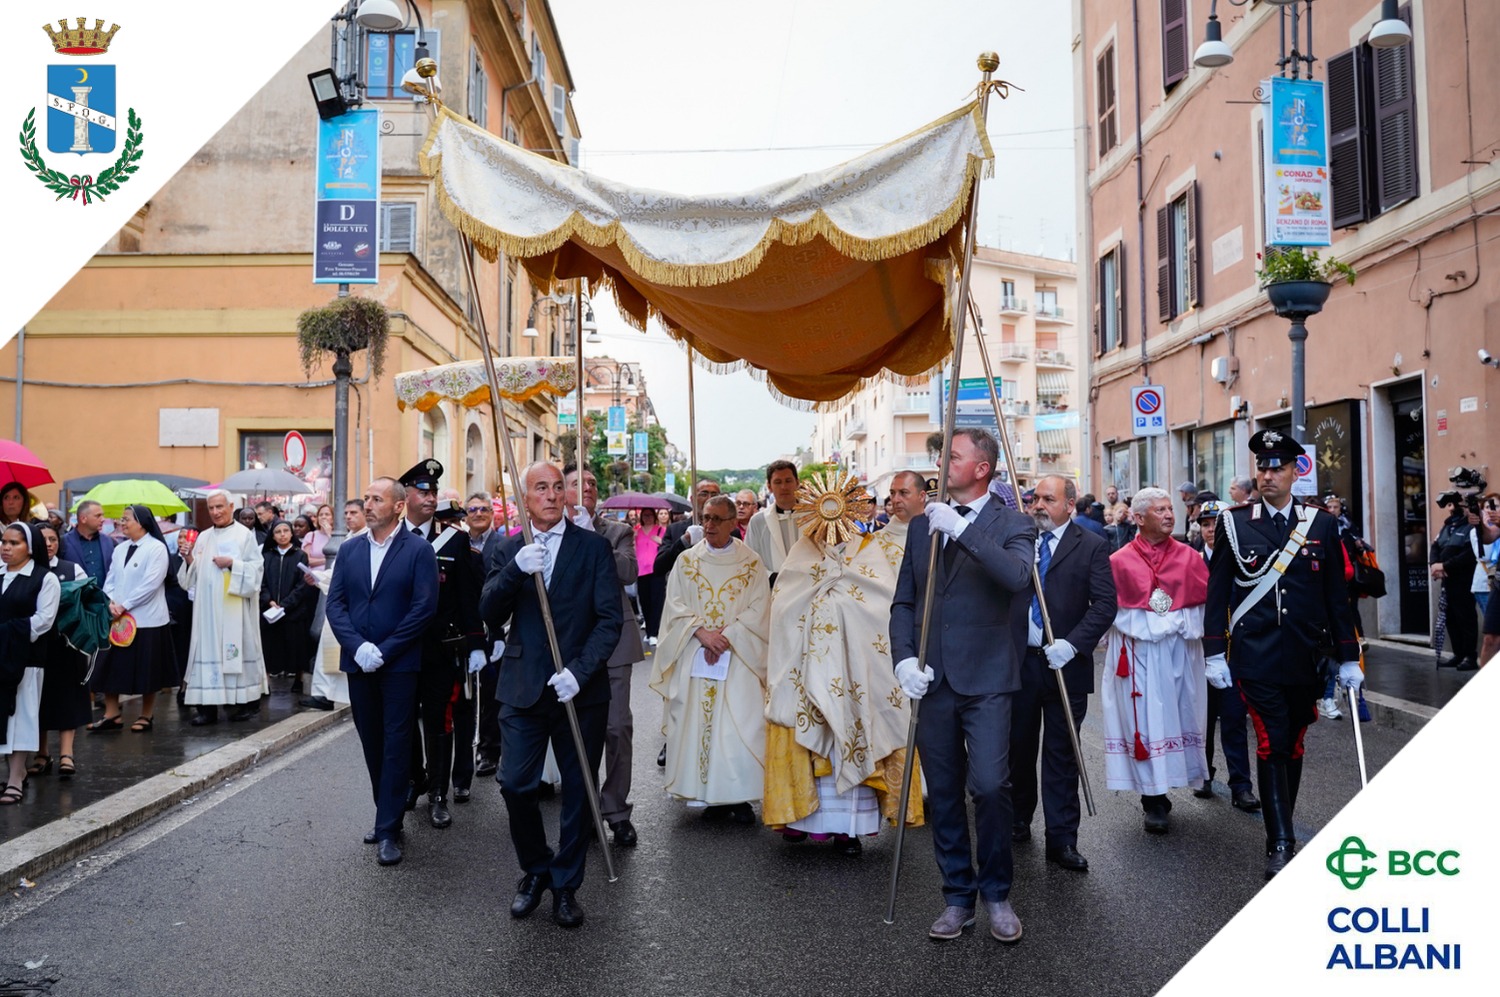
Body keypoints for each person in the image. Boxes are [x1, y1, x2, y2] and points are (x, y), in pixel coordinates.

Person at [889, 428, 1035, 944]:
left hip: (990, 676)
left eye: (952, 456)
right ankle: (957, 896)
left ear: (982, 468)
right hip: (933, 679)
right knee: (944, 794)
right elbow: (905, 601)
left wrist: (964, 532)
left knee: (992, 787)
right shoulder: (918, 528)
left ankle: (997, 893)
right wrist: (904, 659)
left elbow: (1017, 577)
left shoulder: (1015, 522)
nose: (941, 462)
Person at [1205, 429, 1362, 879]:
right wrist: (1214, 652)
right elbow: (1218, 592)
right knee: (1272, 740)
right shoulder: (1234, 523)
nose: (1268, 475)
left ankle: (1283, 824)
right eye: (1262, 467)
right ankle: (1280, 841)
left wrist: (1348, 657)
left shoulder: (1323, 525)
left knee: (1293, 741)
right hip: (1255, 653)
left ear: (1296, 472)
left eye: (1277, 467)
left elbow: (1336, 597)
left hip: (1305, 654)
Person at [482, 461, 623, 929]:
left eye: (557, 486)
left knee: (579, 791)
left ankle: (566, 884)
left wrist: (580, 673)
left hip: (580, 692)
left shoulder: (594, 548)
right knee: (515, 785)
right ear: (525, 498)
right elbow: (487, 610)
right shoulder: (507, 546)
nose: (551, 494)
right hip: (522, 687)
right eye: (540, 488)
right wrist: (515, 573)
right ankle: (536, 868)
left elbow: (609, 620)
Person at [762, 484, 921, 855]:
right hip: (805, 676)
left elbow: (883, 607)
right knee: (812, 739)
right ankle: (803, 818)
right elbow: (784, 609)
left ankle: (848, 829)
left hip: (857, 676)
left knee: (851, 735)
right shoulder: (800, 557)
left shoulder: (871, 555)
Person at [326, 476, 439, 866]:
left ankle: (389, 828)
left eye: (377, 499)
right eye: (367, 498)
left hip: (399, 666)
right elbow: (335, 605)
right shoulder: (350, 549)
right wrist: (358, 647)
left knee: (396, 744)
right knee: (372, 742)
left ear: (397, 506)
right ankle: (384, 813)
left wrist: (385, 651)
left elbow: (423, 609)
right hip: (360, 663)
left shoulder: (418, 550)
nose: (368, 504)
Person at [1010, 475, 1116, 872]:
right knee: (1016, 748)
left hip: (1065, 665)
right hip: (1019, 663)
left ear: (1070, 505)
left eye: (1048, 499)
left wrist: (1072, 644)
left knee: (1061, 755)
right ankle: (1018, 820)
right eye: (1035, 498)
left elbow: (1105, 605)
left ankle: (1062, 839)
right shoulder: (1020, 541)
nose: (1038, 505)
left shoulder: (1090, 545)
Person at [651, 494, 769, 824]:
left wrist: (726, 636)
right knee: (698, 722)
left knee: (737, 725)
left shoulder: (751, 562)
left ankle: (738, 796)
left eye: (717, 519)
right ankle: (705, 794)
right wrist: (702, 634)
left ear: (734, 523)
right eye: (705, 518)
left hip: (738, 653)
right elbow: (674, 605)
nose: (709, 524)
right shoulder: (687, 561)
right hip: (695, 652)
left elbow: (760, 608)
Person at [1101, 487, 1210, 834]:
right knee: (1144, 724)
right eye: (1160, 510)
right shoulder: (1118, 561)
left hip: (1178, 653)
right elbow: (1107, 610)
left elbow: (1203, 606)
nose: (1168, 515)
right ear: (1139, 518)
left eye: (1169, 509)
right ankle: (1153, 799)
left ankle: (1184, 776)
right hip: (1136, 654)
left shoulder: (1190, 557)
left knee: (1177, 716)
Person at [397, 461, 487, 830]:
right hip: (400, 648)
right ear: (405, 497)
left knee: (440, 721)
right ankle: (413, 781)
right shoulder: (390, 538)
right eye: (423, 491)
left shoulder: (455, 540)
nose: (431, 497)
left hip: (440, 648)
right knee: (402, 721)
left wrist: (477, 643)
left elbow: (469, 596)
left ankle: (438, 793)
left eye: (434, 492)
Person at [564, 464, 644, 847]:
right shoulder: (549, 531)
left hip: (613, 643)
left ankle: (615, 810)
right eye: (578, 483)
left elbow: (628, 571)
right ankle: (584, 810)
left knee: (616, 728)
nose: (588, 487)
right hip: (568, 646)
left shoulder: (617, 531)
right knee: (575, 733)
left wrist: (588, 538)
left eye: (592, 482)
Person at [1190, 501, 1258, 811]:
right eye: (1206, 525)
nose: (1210, 530)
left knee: (1233, 719)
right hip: (1198, 654)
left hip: (1232, 653)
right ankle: (1203, 775)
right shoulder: (1190, 561)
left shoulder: (1243, 559)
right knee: (1202, 720)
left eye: (1216, 525)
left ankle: (1241, 785)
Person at [85, 506, 175, 733]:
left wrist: (125, 605)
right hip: (118, 618)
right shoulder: (120, 548)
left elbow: (151, 584)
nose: (122, 523)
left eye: (126, 519)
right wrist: (110, 602)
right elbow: (111, 578)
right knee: (111, 666)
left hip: (147, 619)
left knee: (148, 669)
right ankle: (111, 714)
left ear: (142, 522)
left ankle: (146, 714)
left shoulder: (156, 548)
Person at [179, 491, 267, 725]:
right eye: (211, 508)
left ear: (230, 506)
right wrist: (188, 558)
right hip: (206, 610)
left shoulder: (244, 535)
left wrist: (232, 564)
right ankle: (206, 709)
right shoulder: (204, 537)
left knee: (233, 651)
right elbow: (193, 575)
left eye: (220, 507)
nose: (215, 512)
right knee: (206, 651)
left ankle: (239, 705)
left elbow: (257, 570)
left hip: (234, 607)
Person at [1, 524, 61, 804]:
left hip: (26, 657)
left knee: (20, 716)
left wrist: (8, 635)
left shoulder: (44, 579)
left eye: (14, 543)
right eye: (4, 542)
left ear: (30, 547)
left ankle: (16, 777)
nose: (6, 547)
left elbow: (43, 620)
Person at [33, 524, 91, 780]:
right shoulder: (28, 571)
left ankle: (67, 754)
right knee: (39, 701)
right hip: (38, 645)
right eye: (43, 539)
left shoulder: (71, 569)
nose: (48, 544)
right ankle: (42, 753)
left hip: (68, 645)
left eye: (53, 539)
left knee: (68, 698)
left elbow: (88, 600)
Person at [1430, 472, 1485, 671]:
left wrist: (1445, 566)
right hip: (1446, 580)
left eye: (1453, 505)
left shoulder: (1471, 527)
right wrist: (1434, 565)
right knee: (1451, 618)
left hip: (1463, 579)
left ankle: (1470, 656)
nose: (1450, 508)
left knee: (1465, 617)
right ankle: (1458, 653)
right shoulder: (1447, 526)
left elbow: (1470, 554)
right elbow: (1435, 546)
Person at [260, 520, 315, 680]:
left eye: (286, 531)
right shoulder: (267, 556)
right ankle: (269, 677)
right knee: (270, 646)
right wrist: (269, 601)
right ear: (273, 535)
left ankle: (297, 678)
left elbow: (302, 585)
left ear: (292, 533)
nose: (282, 535)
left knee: (295, 645)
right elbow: (261, 582)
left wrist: (285, 605)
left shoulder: (300, 555)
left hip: (293, 610)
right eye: (278, 532)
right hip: (270, 609)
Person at [743, 460, 800, 586]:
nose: (784, 487)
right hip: (773, 591)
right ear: (769, 486)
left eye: (788, 481)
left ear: (797, 482)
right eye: (778, 482)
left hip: (811, 591)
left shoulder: (814, 516)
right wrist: (772, 577)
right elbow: (748, 560)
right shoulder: (758, 521)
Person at [61, 499, 116, 588]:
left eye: (103, 515)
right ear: (83, 519)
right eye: (98, 516)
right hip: (76, 598)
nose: (103, 519)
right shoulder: (64, 542)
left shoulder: (109, 542)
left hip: (104, 598)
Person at [635, 507, 670, 646]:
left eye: (650, 515)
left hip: (656, 570)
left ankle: (654, 632)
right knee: (645, 602)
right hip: (641, 571)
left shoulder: (661, 530)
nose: (647, 517)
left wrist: (660, 541)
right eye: (645, 515)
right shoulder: (636, 532)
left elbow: (668, 547)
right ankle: (649, 631)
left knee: (657, 602)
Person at [884, 470, 928, 547]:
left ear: (922, 496)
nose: (895, 500)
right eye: (892, 493)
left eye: (903, 492)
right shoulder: (877, 542)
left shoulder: (937, 533)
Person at [302, 504, 335, 569]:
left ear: (333, 518)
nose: (323, 517)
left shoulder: (337, 536)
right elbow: (306, 560)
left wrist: (329, 534)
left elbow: (339, 555)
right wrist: (327, 560)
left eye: (327, 514)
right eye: (320, 515)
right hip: (313, 575)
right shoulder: (311, 536)